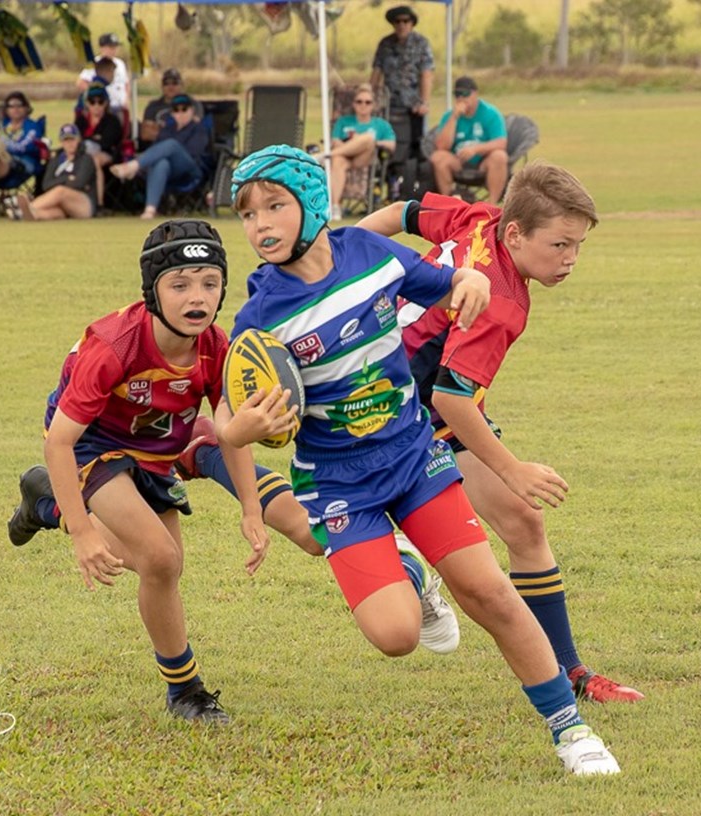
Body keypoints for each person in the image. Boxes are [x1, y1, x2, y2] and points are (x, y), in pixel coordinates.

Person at [225, 144, 621, 775]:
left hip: (415, 455)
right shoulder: (260, 315)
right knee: (396, 636)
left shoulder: (371, 253)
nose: (262, 226)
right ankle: (410, 574)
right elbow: (229, 414)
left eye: (275, 206)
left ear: (312, 206)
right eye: (247, 215)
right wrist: (242, 427)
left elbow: (449, 279)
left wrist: (467, 281)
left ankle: (571, 731)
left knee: (489, 590)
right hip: (338, 485)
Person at [355, 163, 645, 704]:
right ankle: (407, 569)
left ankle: (569, 672)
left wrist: (338, 252)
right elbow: (452, 398)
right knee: (448, 540)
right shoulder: (503, 303)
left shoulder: (478, 218)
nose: (570, 260)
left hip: (411, 395)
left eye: (578, 246)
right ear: (516, 234)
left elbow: (401, 212)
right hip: (393, 412)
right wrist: (513, 469)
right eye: (559, 245)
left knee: (522, 522)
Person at [12, 219, 268, 724]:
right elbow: (61, 441)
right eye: (180, 284)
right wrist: (83, 534)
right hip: (91, 445)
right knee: (162, 558)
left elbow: (229, 428)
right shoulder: (114, 346)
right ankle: (186, 692)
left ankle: (48, 504)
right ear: (153, 290)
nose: (197, 297)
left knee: (161, 566)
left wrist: (252, 507)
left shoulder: (217, 347)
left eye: (209, 282)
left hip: (152, 450)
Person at [110, 93, 211, 220]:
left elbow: (195, 152)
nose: (180, 113)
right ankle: (150, 209)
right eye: (176, 110)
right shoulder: (167, 129)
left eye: (184, 109)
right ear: (172, 113)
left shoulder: (198, 129)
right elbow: (155, 150)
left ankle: (132, 166)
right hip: (169, 169)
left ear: (192, 111)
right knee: (161, 163)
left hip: (191, 168)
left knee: (171, 145)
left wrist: (172, 151)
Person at [370, 5, 433, 198]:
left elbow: (427, 74)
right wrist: (371, 98)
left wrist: (424, 102)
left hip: (412, 107)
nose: (401, 25)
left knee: (414, 149)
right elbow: (376, 73)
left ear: (412, 23)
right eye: (397, 21)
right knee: (387, 148)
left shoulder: (421, 43)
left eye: (405, 21)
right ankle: (386, 184)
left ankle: (411, 187)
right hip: (388, 106)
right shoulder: (385, 44)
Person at [430, 76, 508, 200]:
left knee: (499, 156)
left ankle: (492, 205)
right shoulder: (449, 116)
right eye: (457, 94)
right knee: (438, 157)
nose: (461, 98)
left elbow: (501, 143)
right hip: (458, 162)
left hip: (483, 162)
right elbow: (441, 146)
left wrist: (475, 149)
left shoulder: (491, 113)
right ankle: (450, 203)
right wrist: (454, 117)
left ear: (475, 94)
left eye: (465, 94)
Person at [327, 83, 396, 221]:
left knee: (367, 139)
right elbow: (335, 141)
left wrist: (368, 142)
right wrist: (352, 145)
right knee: (338, 161)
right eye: (359, 102)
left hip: (365, 158)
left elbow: (391, 144)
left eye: (367, 102)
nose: (363, 105)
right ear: (353, 104)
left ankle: (326, 156)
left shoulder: (380, 124)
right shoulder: (343, 121)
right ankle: (335, 207)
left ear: (373, 105)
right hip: (344, 158)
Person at [16, 124, 95, 221]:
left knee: (60, 191)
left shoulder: (85, 159)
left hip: (83, 204)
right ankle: (31, 214)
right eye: (66, 140)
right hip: (62, 203)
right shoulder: (56, 160)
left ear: (78, 140)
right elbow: (46, 184)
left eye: (72, 139)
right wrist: (67, 178)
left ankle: (23, 210)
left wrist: (59, 182)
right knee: (55, 212)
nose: (70, 143)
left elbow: (80, 183)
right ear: (61, 142)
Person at [74, 84, 124, 209]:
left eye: (100, 102)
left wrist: (89, 140)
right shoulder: (81, 121)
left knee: (94, 160)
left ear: (106, 103)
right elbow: (74, 139)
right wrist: (94, 138)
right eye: (92, 102)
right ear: (87, 104)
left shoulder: (112, 121)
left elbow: (108, 142)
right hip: (81, 153)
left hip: (107, 153)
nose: (96, 106)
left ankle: (99, 203)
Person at [140, 69, 203, 148]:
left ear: (181, 85)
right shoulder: (153, 106)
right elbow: (145, 134)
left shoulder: (193, 104)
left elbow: (191, 131)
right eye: (166, 83)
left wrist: (159, 129)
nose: (171, 86)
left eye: (175, 83)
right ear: (162, 86)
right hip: (158, 149)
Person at [76, 33, 131, 114]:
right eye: (111, 47)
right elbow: (81, 83)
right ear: (102, 48)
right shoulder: (95, 63)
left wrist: (127, 99)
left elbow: (126, 83)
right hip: (104, 108)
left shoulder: (120, 64)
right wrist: (96, 95)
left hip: (120, 106)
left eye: (115, 47)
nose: (114, 50)